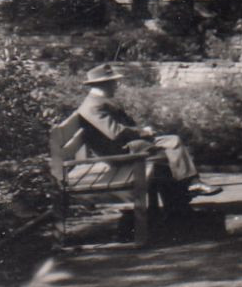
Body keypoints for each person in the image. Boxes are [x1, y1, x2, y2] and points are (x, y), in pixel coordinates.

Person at [74, 63, 222, 201]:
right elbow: (116, 132)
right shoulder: (92, 106)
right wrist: (144, 132)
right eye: (113, 82)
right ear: (103, 84)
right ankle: (182, 197)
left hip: (126, 146)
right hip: (119, 152)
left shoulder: (99, 101)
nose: (116, 86)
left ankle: (189, 188)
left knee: (173, 141)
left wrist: (142, 132)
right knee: (167, 157)